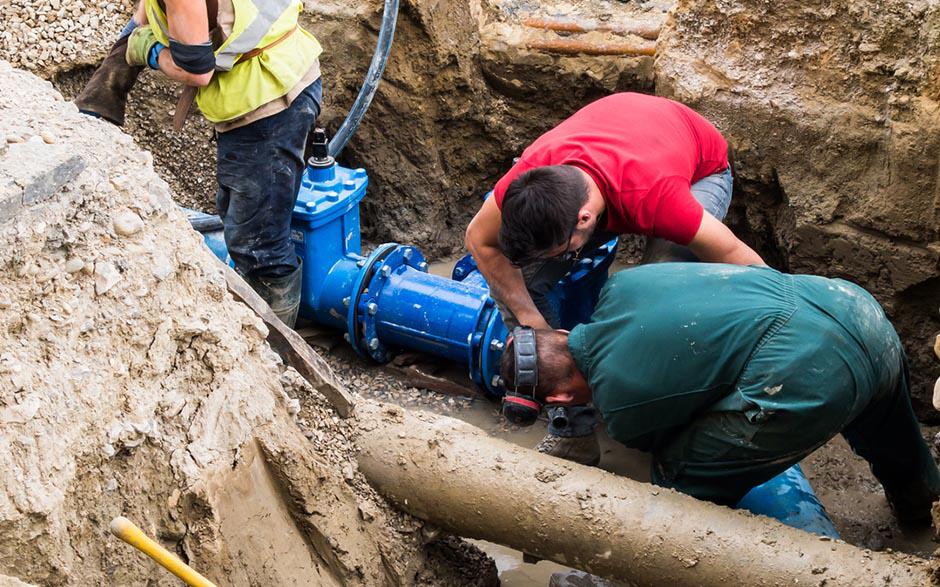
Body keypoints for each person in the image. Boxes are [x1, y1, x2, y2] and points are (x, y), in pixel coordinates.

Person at [499, 263, 940, 522]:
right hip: (853, 307)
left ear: (558, 400)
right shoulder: (622, 285)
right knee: (891, 430)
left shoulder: (619, 406)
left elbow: (677, 438)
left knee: (679, 477)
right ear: (561, 333)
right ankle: (924, 508)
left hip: (815, 374)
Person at [466, 92, 764, 465]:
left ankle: (659, 414)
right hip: (619, 154)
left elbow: (738, 258)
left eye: (555, 251)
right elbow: (479, 239)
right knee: (518, 283)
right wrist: (533, 323)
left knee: (662, 289)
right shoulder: (531, 180)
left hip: (698, 171)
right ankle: (573, 433)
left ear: (584, 220)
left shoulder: (660, 199)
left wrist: (790, 312)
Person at [74, 0, 323, 327]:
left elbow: (197, 71)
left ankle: (272, 348)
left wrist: (147, 50)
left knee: (260, 245)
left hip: (267, 105)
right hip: (280, 73)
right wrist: (116, 64)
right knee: (241, 220)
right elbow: (147, 10)